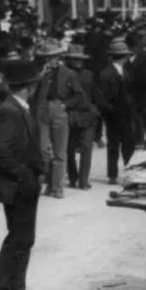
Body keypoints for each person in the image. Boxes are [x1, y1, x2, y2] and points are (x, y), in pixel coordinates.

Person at [0, 61, 47, 290]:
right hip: (16, 185)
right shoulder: (9, 111)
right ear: (29, 86)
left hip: (24, 183)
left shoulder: (19, 108)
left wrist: (38, 170)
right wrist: (25, 176)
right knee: (16, 240)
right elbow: (0, 152)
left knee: (25, 239)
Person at [33, 41, 84, 199]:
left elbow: (79, 95)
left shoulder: (68, 73)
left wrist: (66, 105)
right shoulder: (39, 73)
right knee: (43, 151)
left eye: (52, 57)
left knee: (60, 152)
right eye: (46, 57)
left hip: (58, 108)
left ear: (58, 56)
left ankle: (57, 187)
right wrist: (40, 75)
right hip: (41, 109)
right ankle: (49, 182)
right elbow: (29, 92)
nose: (49, 60)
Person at [96, 38, 137, 185]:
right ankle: (114, 174)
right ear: (124, 56)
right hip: (114, 115)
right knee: (114, 145)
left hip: (125, 113)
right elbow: (101, 98)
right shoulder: (107, 74)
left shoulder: (123, 71)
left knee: (128, 145)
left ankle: (126, 172)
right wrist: (111, 111)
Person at [63, 45, 98, 190]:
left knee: (82, 148)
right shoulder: (65, 74)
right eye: (75, 59)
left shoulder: (87, 75)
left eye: (80, 59)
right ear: (69, 59)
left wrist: (96, 109)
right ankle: (76, 179)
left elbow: (95, 95)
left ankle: (81, 180)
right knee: (72, 149)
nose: (78, 61)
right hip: (72, 115)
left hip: (83, 114)